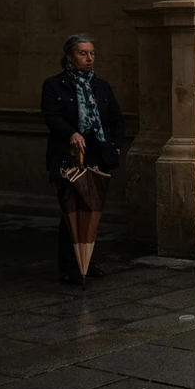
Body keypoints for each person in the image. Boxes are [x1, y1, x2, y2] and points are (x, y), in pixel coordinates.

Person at [41, 34, 125, 284]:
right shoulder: (54, 85)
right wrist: (71, 133)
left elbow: (117, 120)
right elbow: (52, 117)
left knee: (91, 209)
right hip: (68, 154)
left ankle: (87, 261)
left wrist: (116, 146)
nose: (89, 59)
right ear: (69, 56)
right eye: (82, 53)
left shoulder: (101, 86)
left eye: (92, 53)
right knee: (71, 208)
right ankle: (68, 265)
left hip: (96, 152)